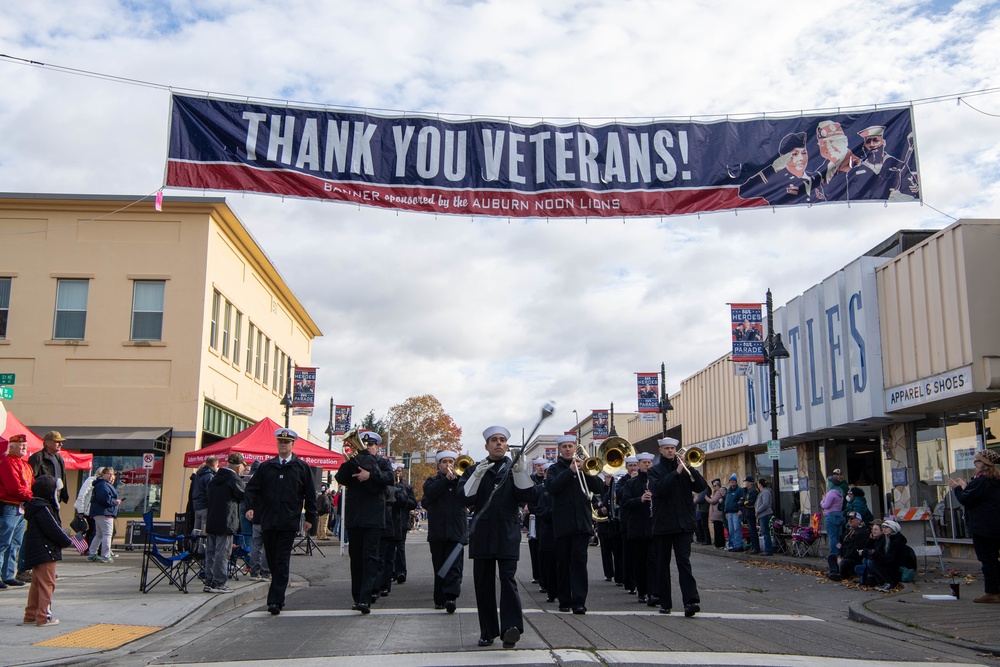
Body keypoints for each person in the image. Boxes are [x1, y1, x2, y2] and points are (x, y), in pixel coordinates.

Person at [458, 425, 535, 649]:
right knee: (483, 583)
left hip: (506, 533)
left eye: (502, 440)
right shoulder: (475, 470)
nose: (499, 443)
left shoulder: (514, 468)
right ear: (486, 445)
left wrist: (521, 473)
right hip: (482, 534)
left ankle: (511, 628)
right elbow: (463, 498)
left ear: (507, 445)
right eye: (494, 440)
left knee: (508, 580)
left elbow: (529, 496)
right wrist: (477, 476)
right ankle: (487, 631)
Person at [244, 427, 317, 616]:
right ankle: (277, 593)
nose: (283, 445)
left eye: (286, 442)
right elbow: (252, 489)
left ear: (292, 444)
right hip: (268, 520)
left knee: (281, 560)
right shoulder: (267, 467)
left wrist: (310, 518)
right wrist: (250, 507)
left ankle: (276, 600)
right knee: (271, 559)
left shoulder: (301, 468)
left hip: (288, 521)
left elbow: (310, 495)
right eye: (280, 442)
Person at [333, 430, 392, 614]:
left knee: (371, 557)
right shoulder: (353, 461)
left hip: (373, 517)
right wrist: (350, 463)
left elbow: (389, 479)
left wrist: (371, 475)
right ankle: (357, 596)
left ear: (377, 447)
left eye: (371, 445)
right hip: (355, 516)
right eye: (364, 444)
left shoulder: (382, 462)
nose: (367, 447)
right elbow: (340, 479)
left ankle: (366, 598)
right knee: (356, 559)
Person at [647, 436, 708, 617]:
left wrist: (691, 470)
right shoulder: (655, 471)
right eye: (666, 449)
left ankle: (691, 601)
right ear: (661, 451)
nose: (670, 451)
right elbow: (658, 490)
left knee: (684, 563)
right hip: (663, 524)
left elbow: (701, 487)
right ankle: (665, 602)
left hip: (683, 524)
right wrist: (676, 472)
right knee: (662, 564)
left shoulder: (685, 469)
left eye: (672, 449)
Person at [545, 434, 604, 614]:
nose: (568, 449)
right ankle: (564, 600)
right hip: (562, 523)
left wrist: (586, 470)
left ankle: (579, 601)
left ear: (575, 447)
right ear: (559, 450)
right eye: (564, 447)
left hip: (581, 523)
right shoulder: (555, 469)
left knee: (579, 563)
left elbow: (599, 488)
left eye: (571, 446)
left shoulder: (584, 467)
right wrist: (569, 471)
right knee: (563, 562)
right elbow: (552, 488)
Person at [948, 448, 1000, 603]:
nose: (974, 463)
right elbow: (977, 496)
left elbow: (966, 499)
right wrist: (966, 487)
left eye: (977, 460)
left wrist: (957, 488)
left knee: (988, 560)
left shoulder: (981, 481)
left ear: (984, 464)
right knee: (994, 559)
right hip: (995, 526)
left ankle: (992, 592)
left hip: (983, 527)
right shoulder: (994, 480)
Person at [20, 475, 73, 627]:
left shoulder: (35, 506)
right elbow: (53, 529)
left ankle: (31, 614)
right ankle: (44, 616)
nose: (57, 494)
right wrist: (66, 541)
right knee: (48, 584)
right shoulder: (44, 508)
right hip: (46, 550)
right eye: (56, 491)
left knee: (37, 584)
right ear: (49, 491)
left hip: (37, 550)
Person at [422, 450, 467, 613]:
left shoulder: (461, 481)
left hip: (456, 529)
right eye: (445, 462)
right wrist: (445, 481)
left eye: (451, 462)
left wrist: (458, 480)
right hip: (438, 531)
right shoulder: (432, 481)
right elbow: (429, 495)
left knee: (454, 565)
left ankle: (451, 597)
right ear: (439, 465)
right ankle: (440, 598)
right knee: (440, 566)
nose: (448, 465)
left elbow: (469, 496)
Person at [203, 452, 246, 594]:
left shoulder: (215, 477)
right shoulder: (233, 479)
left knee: (211, 552)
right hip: (226, 520)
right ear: (239, 467)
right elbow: (243, 495)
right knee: (223, 553)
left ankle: (209, 581)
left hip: (212, 519)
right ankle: (218, 583)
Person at [738, 132, 821, 205]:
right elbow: (744, 192)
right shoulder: (777, 179)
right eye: (794, 154)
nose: (801, 158)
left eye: (804, 153)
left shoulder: (816, 177)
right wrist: (773, 169)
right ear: (783, 157)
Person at [0, 434, 34, 588]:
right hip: (10, 506)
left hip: (21, 507)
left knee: (15, 543)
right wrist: (32, 497)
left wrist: (31, 496)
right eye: (21, 446)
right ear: (12, 447)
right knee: (4, 542)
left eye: (25, 446)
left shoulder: (25, 465)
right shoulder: (7, 462)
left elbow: (31, 484)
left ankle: (8, 575)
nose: (24, 448)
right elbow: (13, 487)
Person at [27, 431, 70, 518]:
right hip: (41, 500)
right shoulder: (38, 457)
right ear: (48, 443)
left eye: (61, 442)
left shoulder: (59, 458)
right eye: (57, 442)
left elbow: (63, 477)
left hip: (55, 499)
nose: (60, 444)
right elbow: (30, 478)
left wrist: (63, 495)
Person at [242, 460, 270, 581]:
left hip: (256, 517)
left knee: (256, 545)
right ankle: (265, 572)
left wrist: (250, 508)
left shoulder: (253, 483)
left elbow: (248, 495)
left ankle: (254, 571)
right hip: (267, 518)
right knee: (267, 547)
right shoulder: (269, 482)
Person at [863, 520, 909, 591]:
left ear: (893, 529)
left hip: (899, 569)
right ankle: (880, 582)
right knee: (870, 562)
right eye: (883, 527)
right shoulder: (889, 539)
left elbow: (891, 559)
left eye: (887, 527)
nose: (884, 529)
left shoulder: (896, 541)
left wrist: (874, 553)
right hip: (893, 565)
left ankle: (890, 582)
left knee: (873, 562)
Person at [87, 467, 120, 562]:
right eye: (108, 474)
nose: (111, 476)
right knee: (107, 534)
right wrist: (115, 502)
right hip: (105, 513)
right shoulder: (103, 485)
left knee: (99, 534)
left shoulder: (101, 484)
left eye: (112, 474)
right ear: (102, 474)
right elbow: (104, 499)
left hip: (99, 512)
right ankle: (105, 555)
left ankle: (92, 553)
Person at [827, 511, 869, 581]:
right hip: (844, 556)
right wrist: (839, 556)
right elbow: (841, 544)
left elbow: (855, 550)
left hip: (855, 558)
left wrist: (843, 558)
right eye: (848, 518)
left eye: (852, 518)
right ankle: (834, 572)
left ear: (859, 520)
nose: (849, 520)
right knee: (831, 556)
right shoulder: (848, 531)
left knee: (844, 562)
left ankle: (844, 575)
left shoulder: (863, 533)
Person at [392, 464, 417, 584]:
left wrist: (404, 498)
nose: (398, 473)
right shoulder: (388, 486)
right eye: (396, 471)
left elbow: (413, 503)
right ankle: (390, 572)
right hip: (390, 521)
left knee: (400, 547)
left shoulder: (407, 487)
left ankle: (401, 572)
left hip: (402, 521)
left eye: (400, 471)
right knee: (389, 548)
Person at [525, 457, 546, 586]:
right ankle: (536, 575)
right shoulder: (530, 480)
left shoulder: (549, 479)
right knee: (534, 545)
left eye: (542, 465)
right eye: (538, 465)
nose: (540, 467)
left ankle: (544, 575)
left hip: (543, 516)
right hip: (533, 516)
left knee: (544, 547)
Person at [821, 468, 848, 558]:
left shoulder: (831, 493)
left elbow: (826, 505)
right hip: (839, 515)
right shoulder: (840, 493)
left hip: (831, 516)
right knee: (838, 537)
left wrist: (822, 501)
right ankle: (839, 552)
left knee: (832, 537)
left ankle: (833, 554)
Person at [73, 468, 100, 550]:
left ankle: (88, 549)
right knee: (91, 530)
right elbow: (82, 495)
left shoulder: (102, 483)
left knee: (93, 530)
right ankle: (86, 548)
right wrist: (81, 510)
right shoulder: (91, 480)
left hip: (96, 510)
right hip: (88, 510)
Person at [191, 456, 219, 534]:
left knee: (196, 531)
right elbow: (210, 493)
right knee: (204, 533)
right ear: (215, 464)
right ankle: (202, 546)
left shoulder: (198, 475)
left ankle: (194, 546)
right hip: (205, 506)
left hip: (196, 506)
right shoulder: (209, 476)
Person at [723, 474, 744, 551]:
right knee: (731, 530)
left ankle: (739, 545)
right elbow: (726, 502)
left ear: (736, 481)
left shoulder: (739, 490)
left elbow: (742, 500)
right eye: (731, 481)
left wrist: (740, 509)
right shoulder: (728, 491)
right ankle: (732, 545)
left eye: (734, 481)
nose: (732, 482)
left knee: (737, 529)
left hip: (736, 512)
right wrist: (726, 512)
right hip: (729, 513)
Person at [755, 478, 774, 556]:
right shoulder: (762, 492)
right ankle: (767, 549)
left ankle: (768, 550)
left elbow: (765, 503)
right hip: (761, 515)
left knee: (765, 531)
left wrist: (758, 510)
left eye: (758, 483)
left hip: (764, 514)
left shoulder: (765, 492)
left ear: (760, 484)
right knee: (764, 531)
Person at [741, 476, 759, 553]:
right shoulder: (748, 491)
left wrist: (744, 502)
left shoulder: (753, 491)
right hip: (747, 513)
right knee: (750, 531)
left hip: (751, 512)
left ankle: (756, 547)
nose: (745, 484)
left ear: (749, 483)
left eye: (746, 482)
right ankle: (752, 546)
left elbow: (750, 502)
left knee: (753, 531)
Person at [707, 478, 726, 549]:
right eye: (713, 486)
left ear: (718, 485)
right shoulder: (715, 492)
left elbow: (713, 501)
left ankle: (720, 544)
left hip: (718, 513)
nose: (714, 487)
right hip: (715, 513)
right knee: (716, 529)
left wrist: (707, 498)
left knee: (719, 529)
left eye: (715, 485)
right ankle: (718, 543)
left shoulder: (718, 492)